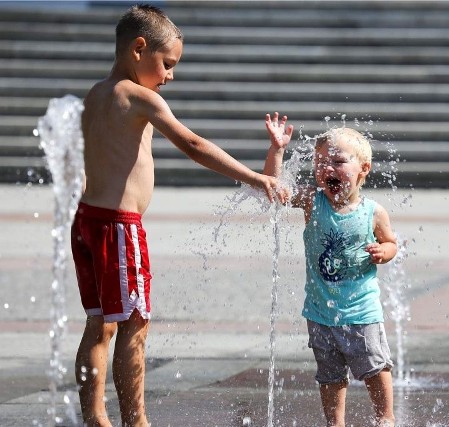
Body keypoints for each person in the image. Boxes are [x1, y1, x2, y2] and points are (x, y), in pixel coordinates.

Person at [71, 5, 283, 426]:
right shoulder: (139, 97)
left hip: (89, 221)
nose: (170, 76)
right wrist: (255, 178)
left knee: (99, 323)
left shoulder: (96, 93)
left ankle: (95, 417)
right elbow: (192, 143)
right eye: (167, 64)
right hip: (118, 228)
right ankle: (137, 421)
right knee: (134, 324)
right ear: (138, 49)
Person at [264, 113, 398, 427]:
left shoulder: (373, 212)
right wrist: (277, 150)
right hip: (320, 313)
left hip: (362, 311)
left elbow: (392, 242)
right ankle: (334, 423)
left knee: (376, 367)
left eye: (338, 162)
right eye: (321, 162)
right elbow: (273, 189)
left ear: (363, 169)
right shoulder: (313, 201)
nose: (327, 169)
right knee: (331, 377)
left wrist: (384, 252)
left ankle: (386, 418)